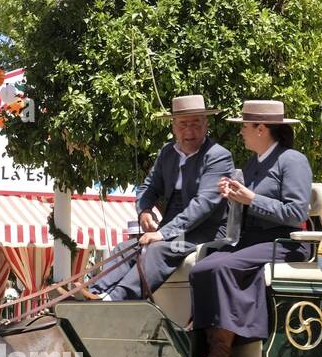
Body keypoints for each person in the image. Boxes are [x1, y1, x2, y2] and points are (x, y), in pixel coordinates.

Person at [187, 100, 312, 357]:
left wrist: (251, 198)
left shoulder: (292, 160)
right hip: (252, 240)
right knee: (201, 266)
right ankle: (200, 344)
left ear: (261, 128)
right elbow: (245, 208)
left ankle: (221, 355)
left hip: (285, 242)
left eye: (245, 126)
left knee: (220, 267)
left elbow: (295, 212)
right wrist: (231, 195)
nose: (241, 132)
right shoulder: (252, 163)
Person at [86, 95, 234, 300]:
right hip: (172, 227)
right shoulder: (167, 153)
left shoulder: (218, 156)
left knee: (158, 249)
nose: (189, 131)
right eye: (183, 124)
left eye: (196, 124)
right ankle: (95, 291)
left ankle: (117, 299)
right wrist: (144, 211)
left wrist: (164, 233)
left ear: (206, 124)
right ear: (173, 127)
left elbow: (204, 204)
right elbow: (148, 187)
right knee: (124, 248)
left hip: (205, 231)